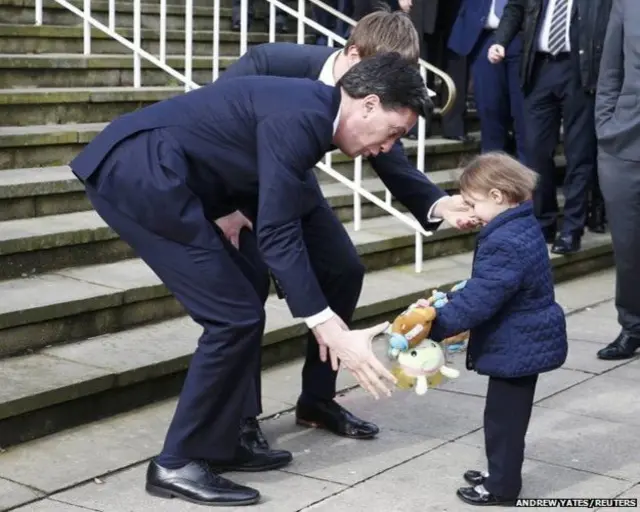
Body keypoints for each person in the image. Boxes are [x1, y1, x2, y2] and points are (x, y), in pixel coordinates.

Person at [69, 53, 427, 507]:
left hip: (166, 172)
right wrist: (327, 325)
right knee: (232, 316)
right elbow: (278, 232)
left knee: (240, 308)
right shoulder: (304, 116)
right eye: (393, 133)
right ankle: (176, 462)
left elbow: (246, 168)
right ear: (368, 105)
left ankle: (220, 444)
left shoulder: (312, 111)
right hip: (140, 172)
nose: (387, 148)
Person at [216, 9, 477, 450]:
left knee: (344, 268)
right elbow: (217, 135)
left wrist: (438, 203)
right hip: (239, 188)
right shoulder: (267, 63)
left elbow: (387, 150)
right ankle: (240, 417)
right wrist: (226, 205)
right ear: (354, 55)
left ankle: (317, 399)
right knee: (248, 286)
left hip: (293, 181)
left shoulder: (374, 96)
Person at [421, 152, 568, 506]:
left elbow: (482, 299)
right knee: (505, 419)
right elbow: (489, 287)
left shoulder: (504, 241)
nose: (470, 211)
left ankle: (501, 487)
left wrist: (435, 326)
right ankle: (499, 472)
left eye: (473, 203)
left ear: (499, 196)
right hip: (524, 337)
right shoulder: (519, 224)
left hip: (517, 343)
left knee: (504, 423)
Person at [489, 0, 597, 255]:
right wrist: (501, 41)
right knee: (536, 151)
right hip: (539, 68)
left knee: (579, 153)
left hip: (579, 70)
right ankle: (544, 222)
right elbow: (515, 7)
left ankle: (572, 229)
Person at [594, 0, 640, 360]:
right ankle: (633, 326)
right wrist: (605, 125)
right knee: (627, 245)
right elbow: (610, 70)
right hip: (624, 141)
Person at [447, 0, 526, 162]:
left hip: (524, 37)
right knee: (489, 110)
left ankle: (525, 178)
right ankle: (492, 175)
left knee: (524, 115)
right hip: (482, 35)